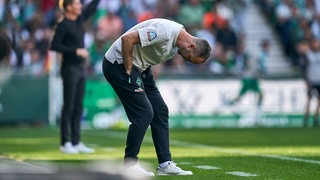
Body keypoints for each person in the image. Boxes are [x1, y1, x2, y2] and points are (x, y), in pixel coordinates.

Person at [102, 18, 211, 176]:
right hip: (119, 64)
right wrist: (128, 68)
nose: (185, 59)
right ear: (191, 45)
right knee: (144, 114)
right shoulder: (164, 33)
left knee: (160, 111)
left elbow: (149, 50)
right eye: (189, 58)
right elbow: (128, 39)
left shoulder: (176, 44)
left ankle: (165, 165)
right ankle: (129, 165)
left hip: (141, 67)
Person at [50, 0, 100, 154]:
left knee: (78, 106)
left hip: (80, 68)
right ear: (69, 7)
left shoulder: (79, 19)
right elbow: (54, 45)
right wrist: (75, 51)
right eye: (77, 4)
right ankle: (65, 143)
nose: (80, 6)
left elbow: (91, 8)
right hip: (69, 68)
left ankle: (76, 142)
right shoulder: (63, 24)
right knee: (69, 106)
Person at [228, 39, 270, 111]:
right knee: (260, 95)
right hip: (250, 79)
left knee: (240, 97)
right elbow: (258, 66)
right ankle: (258, 112)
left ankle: (228, 104)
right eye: (267, 46)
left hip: (248, 78)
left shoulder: (254, 54)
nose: (268, 48)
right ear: (264, 46)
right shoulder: (260, 55)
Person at [299, 38, 320, 127]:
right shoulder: (308, 55)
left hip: (319, 80)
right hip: (311, 80)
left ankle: (316, 117)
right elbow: (303, 68)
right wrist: (306, 79)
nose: (316, 45)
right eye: (315, 43)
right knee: (309, 99)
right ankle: (306, 118)